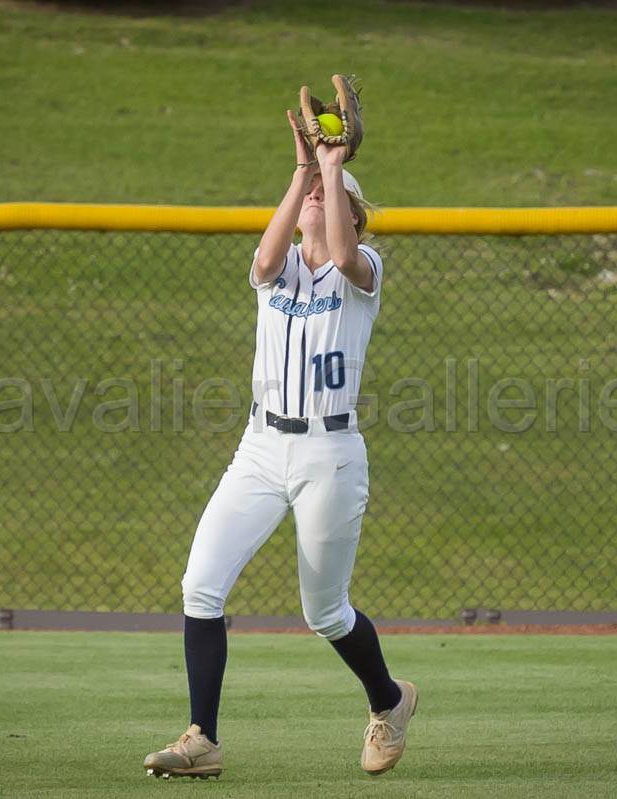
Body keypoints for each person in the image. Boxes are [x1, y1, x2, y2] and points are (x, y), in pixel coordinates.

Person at [142, 111, 417, 780]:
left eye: (330, 194)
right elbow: (264, 259)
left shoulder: (364, 269)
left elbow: (348, 256)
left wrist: (333, 162)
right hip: (261, 447)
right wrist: (304, 168)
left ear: (351, 211)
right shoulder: (281, 264)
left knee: (324, 610)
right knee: (201, 584)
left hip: (330, 455)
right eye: (311, 198)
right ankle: (202, 738)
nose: (317, 201)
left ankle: (389, 700)